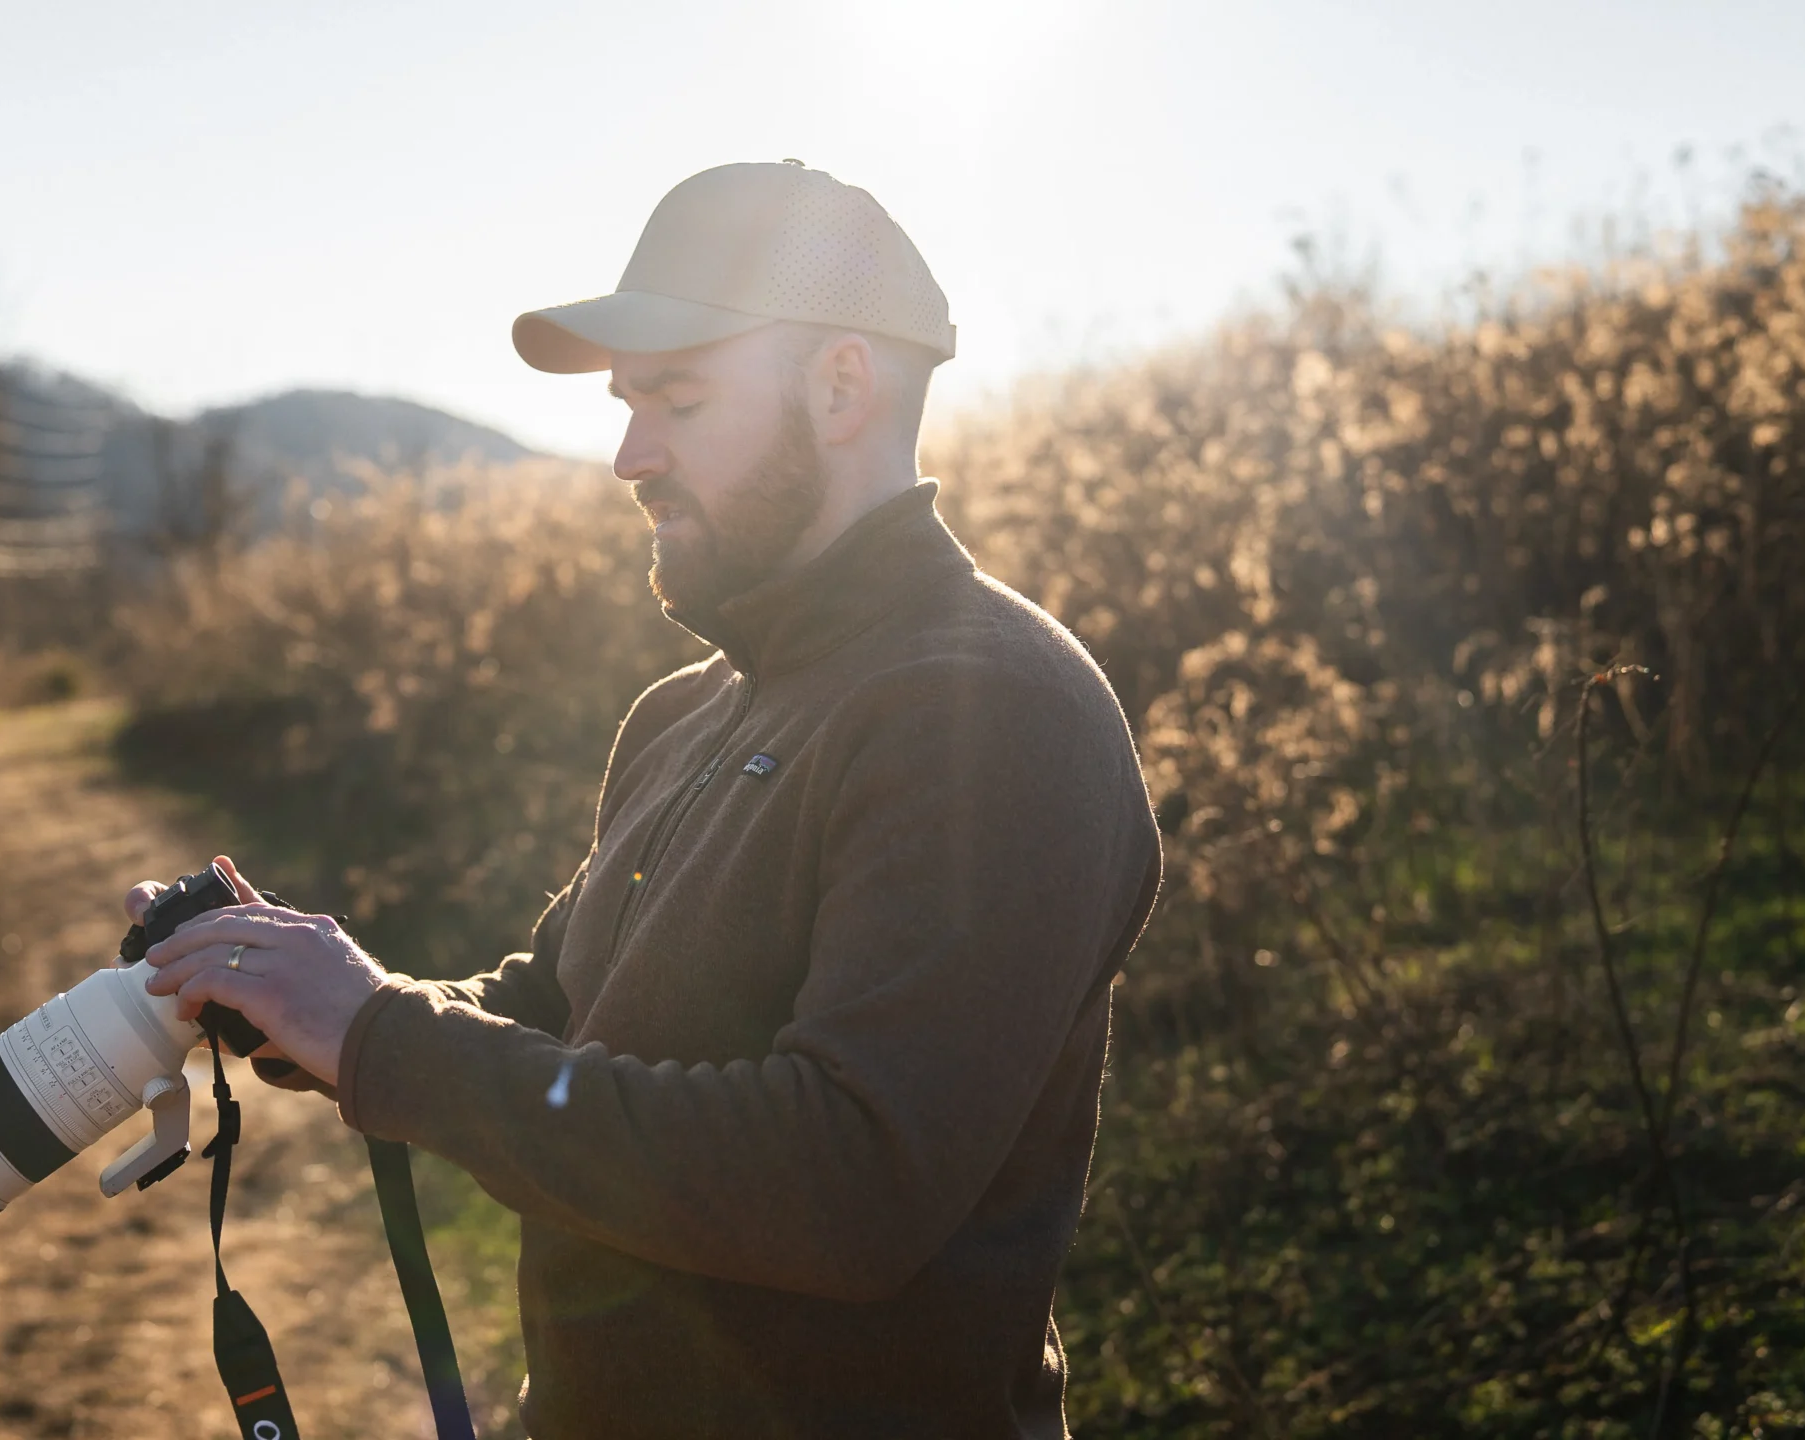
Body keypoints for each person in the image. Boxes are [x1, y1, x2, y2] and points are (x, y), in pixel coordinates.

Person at [131, 160, 1162, 1439]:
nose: (628, 456)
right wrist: (297, 998)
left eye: (675, 398)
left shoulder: (987, 714)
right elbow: (555, 1018)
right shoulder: (685, 712)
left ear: (841, 384)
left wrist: (387, 1040)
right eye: (627, 406)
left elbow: (847, 1181)